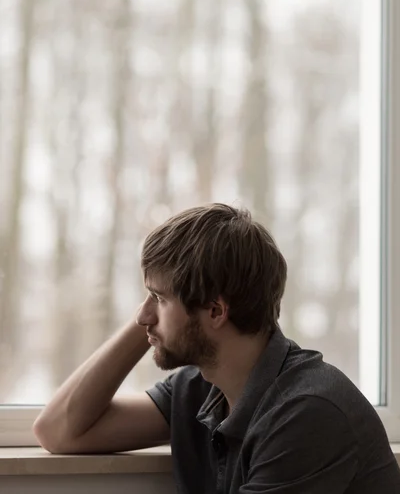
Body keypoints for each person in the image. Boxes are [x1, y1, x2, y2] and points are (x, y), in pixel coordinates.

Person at [33, 203, 400, 493]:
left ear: (215, 311)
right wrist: (155, 319)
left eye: (157, 298)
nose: (143, 316)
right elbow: (59, 431)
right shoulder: (202, 387)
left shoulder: (308, 413)